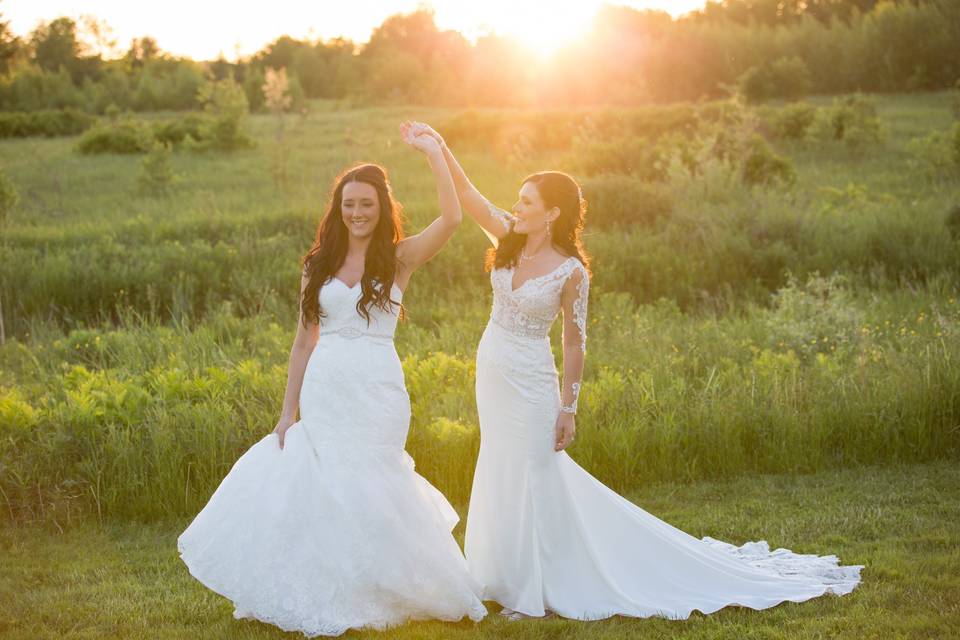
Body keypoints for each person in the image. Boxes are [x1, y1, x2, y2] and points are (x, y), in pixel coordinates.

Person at [404, 119, 863, 621]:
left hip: (534, 381)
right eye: (517, 200)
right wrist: (439, 147)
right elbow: (468, 195)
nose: (517, 208)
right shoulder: (509, 239)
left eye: (527, 202)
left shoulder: (570, 271)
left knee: (536, 470)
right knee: (498, 463)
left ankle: (539, 585)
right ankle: (502, 577)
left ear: (553, 213)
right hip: (492, 370)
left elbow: (574, 342)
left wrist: (569, 407)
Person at [177, 130, 487, 637]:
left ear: (382, 207)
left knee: (376, 478)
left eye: (366, 203)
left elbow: (452, 219)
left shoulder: (400, 257)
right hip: (327, 388)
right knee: (329, 484)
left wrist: (436, 154)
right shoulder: (316, 265)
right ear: (337, 208)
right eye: (349, 204)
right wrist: (286, 412)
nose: (357, 212)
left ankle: (386, 581)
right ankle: (335, 584)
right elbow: (303, 343)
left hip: (378, 388)